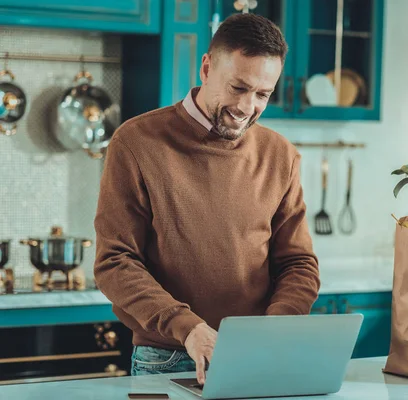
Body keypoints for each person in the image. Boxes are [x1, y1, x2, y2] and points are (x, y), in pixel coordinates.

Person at [93, 13, 320, 385]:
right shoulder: (136, 143)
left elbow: (297, 263)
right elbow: (115, 262)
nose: (247, 107)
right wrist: (187, 327)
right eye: (238, 88)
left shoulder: (281, 156)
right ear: (206, 67)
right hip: (167, 357)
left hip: (256, 356)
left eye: (262, 94)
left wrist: (278, 326)